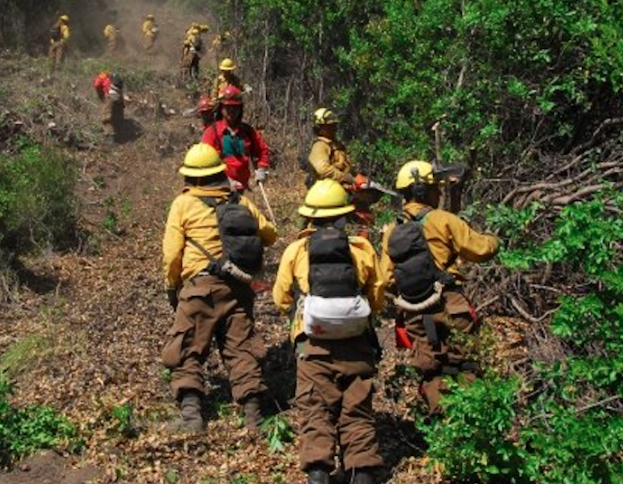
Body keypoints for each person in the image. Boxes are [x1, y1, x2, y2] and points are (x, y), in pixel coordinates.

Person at [273, 178, 384, 484]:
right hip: (357, 344)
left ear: (310, 216)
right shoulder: (362, 249)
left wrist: (297, 315)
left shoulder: (296, 250)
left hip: (312, 346)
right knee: (357, 411)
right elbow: (377, 295)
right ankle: (361, 473)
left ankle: (319, 474)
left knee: (316, 411)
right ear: (344, 216)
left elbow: (280, 297)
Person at [162, 143, 278, 434]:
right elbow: (269, 234)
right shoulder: (238, 200)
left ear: (192, 177)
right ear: (217, 173)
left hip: (199, 288)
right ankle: (254, 419)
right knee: (240, 350)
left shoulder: (183, 204)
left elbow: (172, 253)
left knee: (187, 349)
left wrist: (172, 286)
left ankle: (191, 419)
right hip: (238, 288)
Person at [380, 160, 500, 416]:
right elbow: (480, 250)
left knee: (432, 369)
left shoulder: (392, 231)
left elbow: (386, 278)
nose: (439, 193)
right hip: (451, 305)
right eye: (436, 188)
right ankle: (469, 427)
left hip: (415, 313)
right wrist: (494, 239)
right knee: (465, 365)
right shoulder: (444, 220)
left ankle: (442, 430)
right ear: (425, 191)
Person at [201, 85, 270, 192]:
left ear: (240, 108)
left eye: (235, 107)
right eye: (227, 107)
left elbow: (262, 150)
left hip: (241, 189)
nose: (231, 111)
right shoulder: (211, 132)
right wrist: (226, 181)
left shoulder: (247, 131)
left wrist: (262, 169)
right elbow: (206, 162)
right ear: (221, 108)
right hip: (218, 190)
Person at [307, 108, 354, 188]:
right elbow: (322, 169)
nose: (334, 128)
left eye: (334, 125)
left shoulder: (337, 145)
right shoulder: (320, 146)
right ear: (319, 128)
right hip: (327, 192)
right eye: (329, 126)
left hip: (341, 190)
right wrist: (344, 177)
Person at [93, 71, 124, 144]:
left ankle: (110, 137)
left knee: (106, 116)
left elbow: (97, 85)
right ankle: (120, 133)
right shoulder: (115, 77)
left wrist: (101, 95)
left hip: (110, 96)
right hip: (119, 96)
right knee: (117, 114)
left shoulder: (101, 76)